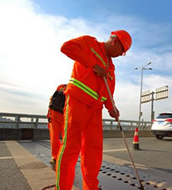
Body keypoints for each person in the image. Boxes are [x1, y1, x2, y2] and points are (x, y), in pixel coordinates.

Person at [56, 30, 132, 190]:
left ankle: (90, 188)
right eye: (122, 51)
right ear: (115, 41)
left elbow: (108, 92)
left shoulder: (111, 68)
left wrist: (112, 108)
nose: (120, 55)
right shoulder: (89, 43)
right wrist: (93, 64)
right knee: (71, 148)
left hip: (95, 111)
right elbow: (66, 47)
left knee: (93, 153)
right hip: (77, 102)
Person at [47, 84, 67, 170]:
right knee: (66, 138)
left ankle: (55, 157)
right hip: (65, 116)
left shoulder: (61, 86)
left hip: (54, 115)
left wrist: (49, 113)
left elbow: (51, 100)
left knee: (54, 137)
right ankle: (64, 157)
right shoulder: (71, 88)